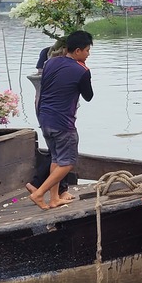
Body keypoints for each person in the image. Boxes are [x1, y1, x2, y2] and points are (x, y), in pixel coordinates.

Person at [29, 30, 94, 210]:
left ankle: (54, 198)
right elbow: (88, 96)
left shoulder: (50, 62)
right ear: (78, 50)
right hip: (63, 122)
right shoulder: (82, 70)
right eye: (87, 51)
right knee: (68, 163)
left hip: (45, 118)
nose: (88, 55)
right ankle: (39, 193)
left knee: (56, 159)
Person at [26, 45, 72, 200]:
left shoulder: (47, 55)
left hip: (47, 109)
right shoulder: (54, 59)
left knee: (58, 151)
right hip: (55, 112)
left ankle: (57, 191)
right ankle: (40, 186)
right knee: (60, 153)